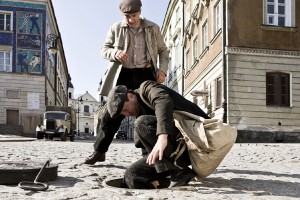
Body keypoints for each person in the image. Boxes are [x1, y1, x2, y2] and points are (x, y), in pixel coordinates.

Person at [84, 0, 169, 164]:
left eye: (134, 15)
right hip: (123, 75)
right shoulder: (116, 28)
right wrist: (115, 53)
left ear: (140, 11)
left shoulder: (152, 28)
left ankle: (148, 154)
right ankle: (99, 151)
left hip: (146, 74)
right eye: (127, 16)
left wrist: (163, 70)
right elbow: (104, 49)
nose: (131, 19)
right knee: (110, 114)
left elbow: (163, 50)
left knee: (148, 113)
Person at [106, 80, 210, 189]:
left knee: (141, 123)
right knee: (132, 175)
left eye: (125, 109)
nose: (127, 115)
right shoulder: (140, 116)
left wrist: (162, 136)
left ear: (131, 96)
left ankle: (179, 170)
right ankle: (177, 170)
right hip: (176, 154)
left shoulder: (147, 87)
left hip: (196, 138)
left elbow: (163, 100)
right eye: (123, 114)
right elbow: (148, 151)